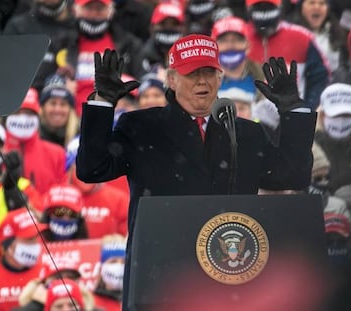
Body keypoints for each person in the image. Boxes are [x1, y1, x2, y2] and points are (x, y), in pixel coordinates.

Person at [75, 33, 317, 309]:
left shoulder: (245, 133)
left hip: (230, 278)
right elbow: (92, 169)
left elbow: (293, 174)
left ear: (220, 78)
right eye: (192, 74)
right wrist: (103, 102)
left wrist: (292, 109)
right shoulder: (142, 128)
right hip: (160, 281)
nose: (202, 81)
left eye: (209, 72)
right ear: (172, 79)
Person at [245, 0, 329, 109]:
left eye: (268, 7)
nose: (264, 12)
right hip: (249, 117)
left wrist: (307, 109)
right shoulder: (238, 37)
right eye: (259, 7)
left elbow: (320, 77)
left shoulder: (301, 37)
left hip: (293, 114)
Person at [4, 88, 67, 195]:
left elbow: (59, 194)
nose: (23, 118)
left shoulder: (57, 154)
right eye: (17, 112)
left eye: (29, 113)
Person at [0, 207, 47, 310]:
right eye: (28, 239)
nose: (35, 243)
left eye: (36, 237)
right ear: (8, 245)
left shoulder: (48, 273)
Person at [211, 15, 265, 104]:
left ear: (248, 45)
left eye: (238, 40)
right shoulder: (203, 80)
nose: (230, 45)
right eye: (223, 40)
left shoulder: (265, 77)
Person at [288, 0, 347, 73]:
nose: (317, 7)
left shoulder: (337, 35)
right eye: (312, 3)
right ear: (301, 7)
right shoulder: (290, 34)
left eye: (322, 3)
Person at [39, 74, 79, 148]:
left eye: (63, 104)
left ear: (70, 109)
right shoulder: (32, 134)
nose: (57, 109)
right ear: (43, 108)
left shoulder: (80, 136)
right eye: (53, 103)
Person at [93, 234, 126, 311]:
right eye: (113, 262)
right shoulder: (92, 303)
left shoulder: (139, 300)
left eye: (124, 262)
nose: (119, 266)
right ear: (101, 267)